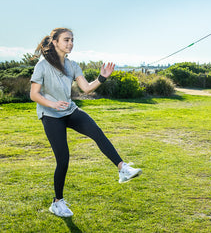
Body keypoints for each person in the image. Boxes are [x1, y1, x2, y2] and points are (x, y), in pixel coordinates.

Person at [30, 28, 142, 218]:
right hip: (50, 114)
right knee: (63, 159)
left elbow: (86, 88)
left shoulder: (72, 65)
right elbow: (34, 94)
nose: (70, 43)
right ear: (55, 42)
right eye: (66, 40)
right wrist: (53, 104)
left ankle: (122, 168)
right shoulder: (42, 66)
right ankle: (57, 203)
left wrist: (102, 78)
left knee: (96, 132)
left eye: (72, 40)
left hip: (69, 110)